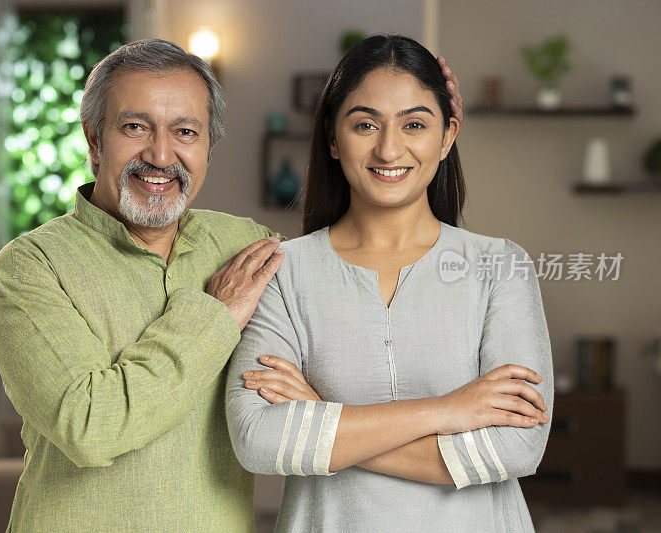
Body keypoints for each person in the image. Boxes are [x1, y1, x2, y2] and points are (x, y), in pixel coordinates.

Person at [0, 37, 467, 531]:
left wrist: (421, 134)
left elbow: (358, 261)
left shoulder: (245, 246)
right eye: (134, 127)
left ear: (209, 145)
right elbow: (89, 428)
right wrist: (216, 316)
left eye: (186, 131)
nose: (160, 154)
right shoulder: (30, 267)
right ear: (93, 137)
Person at [225, 34, 553, 532]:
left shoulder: (499, 266)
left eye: (415, 124)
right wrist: (447, 411)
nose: (389, 148)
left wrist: (320, 414)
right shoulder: (280, 272)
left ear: (446, 136)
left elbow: (517, 447)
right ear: (333, 139)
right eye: (364, 124)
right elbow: (259, 439)